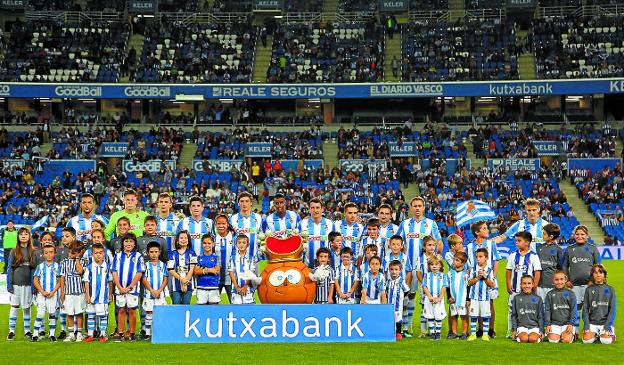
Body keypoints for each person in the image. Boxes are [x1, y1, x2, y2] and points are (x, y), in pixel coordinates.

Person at [397, 196, 442, 336]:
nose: (417, 208)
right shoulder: (404, 224)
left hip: (426, 269)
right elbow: (398, 242)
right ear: (411, 208)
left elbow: (439, 242)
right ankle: (407, 327)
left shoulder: (430, 223)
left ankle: (425, 329)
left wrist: (437, 256)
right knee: (408, 296)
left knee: (426, 297)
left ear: (424, 207)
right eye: (414, 206)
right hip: (409, 267)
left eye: (419, 206)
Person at [467, 221, 501, 338]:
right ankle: (480, 329)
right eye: (484, 228)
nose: (487, 230)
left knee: (490, 303)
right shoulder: (470, 246)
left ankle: (491, 329)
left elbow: (496, 261)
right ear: (477, 232)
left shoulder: (491, 244)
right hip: (475, 279)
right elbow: (468, 264)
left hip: (488, 278)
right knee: (477, 302)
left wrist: (493, 276)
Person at [506, 231, 542, 338]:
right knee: (511, 310)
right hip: (515, 289)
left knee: (529, 309)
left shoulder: (534, 256)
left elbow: (537, 272)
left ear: (527, 243)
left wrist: (534, 285)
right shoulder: (513, 255)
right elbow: (508, 271)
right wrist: (508, 284)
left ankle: (531, 327)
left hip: (528, 289)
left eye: (519, 241)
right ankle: (510, 330)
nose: (516, 243)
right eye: (516, 240)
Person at [111, 233, 145, 342]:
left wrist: (130, 286)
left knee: (132, 310)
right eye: (126, 241)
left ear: (134, 243)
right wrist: (119, 287)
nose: (128, 244)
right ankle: (120, 333)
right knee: (121, 310)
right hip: (120, 289)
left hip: (133, 289)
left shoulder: (138, 256)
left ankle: (131, 333)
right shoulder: (118, 255)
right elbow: (114, 271)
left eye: (131, 241)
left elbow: (140, 272)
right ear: (123, 243)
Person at [562, 225, 600, 316]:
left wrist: (593, 280)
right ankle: (575, 330)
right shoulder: (569, 249)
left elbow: (598, 267)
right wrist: (566, 280)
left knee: (591, 310)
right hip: (574, 285)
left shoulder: (593, 248)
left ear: (587, 236)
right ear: (574, 235)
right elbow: (564, 266)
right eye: (577, 234)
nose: (580, 236)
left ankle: (589, 329)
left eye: (582, 234)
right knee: (576, 310)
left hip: (590, 285)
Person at [6, 228, 35, 341]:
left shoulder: (33, 251)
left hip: (28, 284)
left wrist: (34, 286)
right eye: (21, 234)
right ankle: (11, 331)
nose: (23, 236)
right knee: (14, 306)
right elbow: (10, 269)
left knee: (26, 307)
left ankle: (27, 331)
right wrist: (9, 284)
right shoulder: (14, 251)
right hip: (16, 284)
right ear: (18, 237)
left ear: (29, 236)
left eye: (26, 234)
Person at [82, 243, 114, 343]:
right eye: (96, 253)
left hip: (102, 297)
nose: (98, 255)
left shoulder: (107, 267)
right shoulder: (89, 267)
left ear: (104, 254)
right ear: (92, 254)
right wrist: (87, 295)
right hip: (91, 296)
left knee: (103, 316)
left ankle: (103, 334)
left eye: (100, 253)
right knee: (91, 315)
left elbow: (110, 281)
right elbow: (86, 282)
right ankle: (90, 335)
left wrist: (110, 294)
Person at [59, 240, 87, 342]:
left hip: (80, 292)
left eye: (73, 253)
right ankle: (71, 334)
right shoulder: (64, 263)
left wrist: (78, 259)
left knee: (79, 313)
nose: (70, 254)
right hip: (68, 292)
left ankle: (79, 333)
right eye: (70, 251)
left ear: (79, 253)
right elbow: (62, 277)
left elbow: (80, 272)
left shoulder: (83, 262)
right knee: (69, 313)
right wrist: (62, 292)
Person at [32, 244, 61, 342]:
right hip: (42, 294)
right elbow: (35, 281)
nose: (49, 255)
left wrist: (53, 291)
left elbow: (59, 281)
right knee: (40, 313)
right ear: (43, 254)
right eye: (46, 253)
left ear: (55, 253)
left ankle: (52, 334)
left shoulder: (57, 266)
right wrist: (42, 291)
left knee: (52, 313)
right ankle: (35, 334)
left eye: (51, 252)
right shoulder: (40, 267)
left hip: (53, 294)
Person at [582, 264, 616, 345]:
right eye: (596, 272)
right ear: (592, 275)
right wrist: (586, 324)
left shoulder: (610, 289)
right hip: (592, 323)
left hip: (605, 323)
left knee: (606, 341)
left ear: (604, 275)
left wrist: (607, 325)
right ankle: (596, 334)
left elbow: (612, 309)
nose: (598, 274)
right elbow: (585, 309)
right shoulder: (589, 290)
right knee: (586, 341)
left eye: (601, 272)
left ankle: (610, 333)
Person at [141, 242, 168, 340]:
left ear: (159, 252)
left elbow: (165, 279)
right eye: (151, 252)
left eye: (156, 252)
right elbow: (144, 279)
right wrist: (152, 290)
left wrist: (159, 290)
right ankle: (148, 333)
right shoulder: (146, 265)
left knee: (160, 313)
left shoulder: (163, 265)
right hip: (149, 294)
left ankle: (159, 333)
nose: (154, 254)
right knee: (149, 313)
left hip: (160, 294)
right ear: (148, 253)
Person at [467, 248, 495, 341]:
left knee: (485, 316)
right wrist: (477, 278)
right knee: (474, 315)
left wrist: (485, 277)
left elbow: (492, 284)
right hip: (474, 297)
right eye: (476, 257)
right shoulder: (473, 269)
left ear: (486, 258)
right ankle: (473, 334)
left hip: (485, 297)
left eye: (480, 257)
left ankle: (485, 334)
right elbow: (469, 283)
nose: (478, 259)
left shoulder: (490, 270)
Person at [299, 198, 334, 268]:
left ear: (322, 209)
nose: (315, 210)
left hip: (326, 267)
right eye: (312, 208)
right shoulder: (302, 223)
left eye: (317, 208)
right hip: (307, 267)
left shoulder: (330, 224)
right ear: (309, 209)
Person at [544, 271, 577, 343]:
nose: (559, 282)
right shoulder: (550, 294)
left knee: (566, 340)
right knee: (553, 341)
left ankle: (570, 335)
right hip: (554, 324)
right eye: (556, 279)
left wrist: (571, 324)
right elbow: (547, 310)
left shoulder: (571, 294)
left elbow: (574, 310)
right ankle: (559, 334)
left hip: (567, 324)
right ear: (553, 281)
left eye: (561, 279)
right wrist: (548, 324)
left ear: (565, 280)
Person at [230, 192, 264, 260]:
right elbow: (230, 239)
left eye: (247, 201)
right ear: (238, 203)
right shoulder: (233, 219)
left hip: (256, 257)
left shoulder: (258, 217)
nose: (244, 203)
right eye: (242, 201)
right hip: (238, 258)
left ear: (251, 203)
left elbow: (262, 236)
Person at [511, 275, 544, 343]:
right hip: (521, 327)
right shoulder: (516, 298)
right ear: (520, 285)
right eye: (524, 283)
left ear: (533, 285)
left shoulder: (538, 299)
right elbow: (514, 315)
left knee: (533, 339)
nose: (526, 286)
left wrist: (541, 330)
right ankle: (518, 336)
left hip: (534, 327)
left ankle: (537, 337)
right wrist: (514, 330)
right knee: (524, 339)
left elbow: (540, 316)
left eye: (529, 283)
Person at [422, 256, 448, 340]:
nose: (434, 266)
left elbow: (444, 287)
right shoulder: (427, 276)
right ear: (429, 266)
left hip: (438, 299)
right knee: (430, 316)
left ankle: (438, 333)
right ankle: (432, 333)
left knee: (438, 316)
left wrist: (439, 298)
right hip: (429, 299)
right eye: (432, 264)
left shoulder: (443, 276)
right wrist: (430, 296)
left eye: (436, 264)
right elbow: (424, 286)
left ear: (440, 265)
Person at [167, 230, 196, 305]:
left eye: (185, 238)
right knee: (176, 305)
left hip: (188, 284)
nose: (183, 240)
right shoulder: (172, 254)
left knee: (186, 305)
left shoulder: (192, 253)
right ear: (177, 240)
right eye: (181, 238)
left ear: (188, 240)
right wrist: (181, 279)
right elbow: (170, 270)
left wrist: (185, 282)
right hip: (175, 285)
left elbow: (192, 269)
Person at [536, 223, 563, 301]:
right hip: (540, 285)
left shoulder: (558, 249)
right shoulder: (540, 248)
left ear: (551, 237)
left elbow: (560, 267)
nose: (542, 236)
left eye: (544, 234)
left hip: (552, 285)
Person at [229, 235, 258, 304]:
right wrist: (236, 286)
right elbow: (231, 272)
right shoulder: (233, 257)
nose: (241, 245)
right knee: (236, 310)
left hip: (247, 288)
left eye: (243, 243)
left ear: (247, 245)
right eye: (239, 243)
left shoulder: (251, 258)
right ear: (236, 244)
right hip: (236, 289)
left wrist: (245, 286)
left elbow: (250, 273)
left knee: (249, 309)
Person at [447, 251, 469, 340]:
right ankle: (454, 333)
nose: (454, 262)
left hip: (462, 299)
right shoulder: (450, 273)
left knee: (464, 316)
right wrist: (449, 297)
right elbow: (447, 286)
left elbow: (468, 287)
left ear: (463, 263)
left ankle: (464, 333)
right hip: (453, 299)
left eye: (457, 260)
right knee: (453, 316)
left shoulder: (466, 274)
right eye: (454, 259)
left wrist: (468, 299)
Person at [387, 260, 410, 341]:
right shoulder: (388, 281)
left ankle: (399, 333)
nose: (394, 272)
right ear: (389, 270)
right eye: (392, 269)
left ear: (400, 270)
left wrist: (402, 299)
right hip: (389, 305)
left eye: (396, 269)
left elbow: (407, 290)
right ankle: (391, 333)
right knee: (390, 319)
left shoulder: (401, 281)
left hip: (398, 306)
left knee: (398, 319)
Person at [194, 234, 221, 305]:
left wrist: (203, 269)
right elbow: (196, 271)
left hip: (213, 287)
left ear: (213, 244)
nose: (207, 245)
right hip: (201, 288)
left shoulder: (216, 258)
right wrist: (209, 270)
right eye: (205, 243)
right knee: (201, 312)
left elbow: (216, 271)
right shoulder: (199, 258)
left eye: (209, 243)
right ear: (202, 244)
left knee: (213, 312)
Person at [214, 214, 234, 303]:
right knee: (213, 304)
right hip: (215, 277)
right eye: (218, 224)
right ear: (215, 225)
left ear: (228, 224)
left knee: (234, 303)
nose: (221, 226)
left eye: (223, 223)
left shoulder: (234, 238)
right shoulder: (212, 239)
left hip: (231, 277)